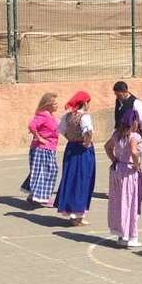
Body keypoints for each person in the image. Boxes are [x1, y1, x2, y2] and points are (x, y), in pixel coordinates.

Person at [54, 91, 96, 226]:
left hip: (71, 148)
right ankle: (78, 215)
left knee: (71, 178)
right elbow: (88, 131)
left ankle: (72, 212)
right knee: (82, 179)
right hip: (82, 151)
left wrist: (71, 138)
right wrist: (87, 142)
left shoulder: (67, 116)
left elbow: (62, 130)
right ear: (85, 103)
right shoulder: (85, 117)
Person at [105, 109, 142, 248]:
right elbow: (133, 151)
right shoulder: (134, 136)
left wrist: (114, 159)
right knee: (130, 203)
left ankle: (121, 234)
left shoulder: (117, 134)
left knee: (118, 203)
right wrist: (136, 164)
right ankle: (131, 236)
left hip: (117, 170)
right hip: (128, 172)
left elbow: (107, 147)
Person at [20, 93, 60, 206]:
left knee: (41, 172)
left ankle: (33, 196)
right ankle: (42, 197)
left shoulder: (51, 116)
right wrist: (39, 138)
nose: (57, 105)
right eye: (55, 103)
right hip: (41, 149)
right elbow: (32, 126)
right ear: (48, 104)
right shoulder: (43, 115)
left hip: (49, 148)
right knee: (48, 172)